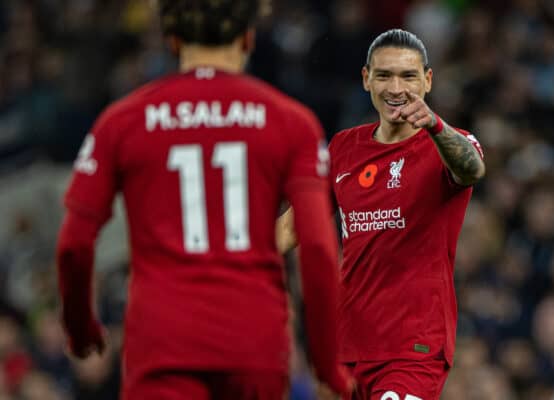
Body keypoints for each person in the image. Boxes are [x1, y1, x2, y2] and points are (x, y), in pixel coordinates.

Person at [55, 1, 352, 399]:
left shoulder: (123, 120)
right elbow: (316, 248)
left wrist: (81, 329)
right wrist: (327, 362)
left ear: (172, 40)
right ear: (248, 38)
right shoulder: (291, 122)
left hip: (162, 344)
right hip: (254, 342)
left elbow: (74, 245)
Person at [276, 29, 485, 400]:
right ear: (366, 78)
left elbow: (471, 170)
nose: (396, 87)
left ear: (428, 80)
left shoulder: (449, 144)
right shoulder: (343, 147)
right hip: (346, 345)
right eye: (384, 75)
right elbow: (294, 226)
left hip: (413, 348)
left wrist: (435, 125)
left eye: (408, 76)